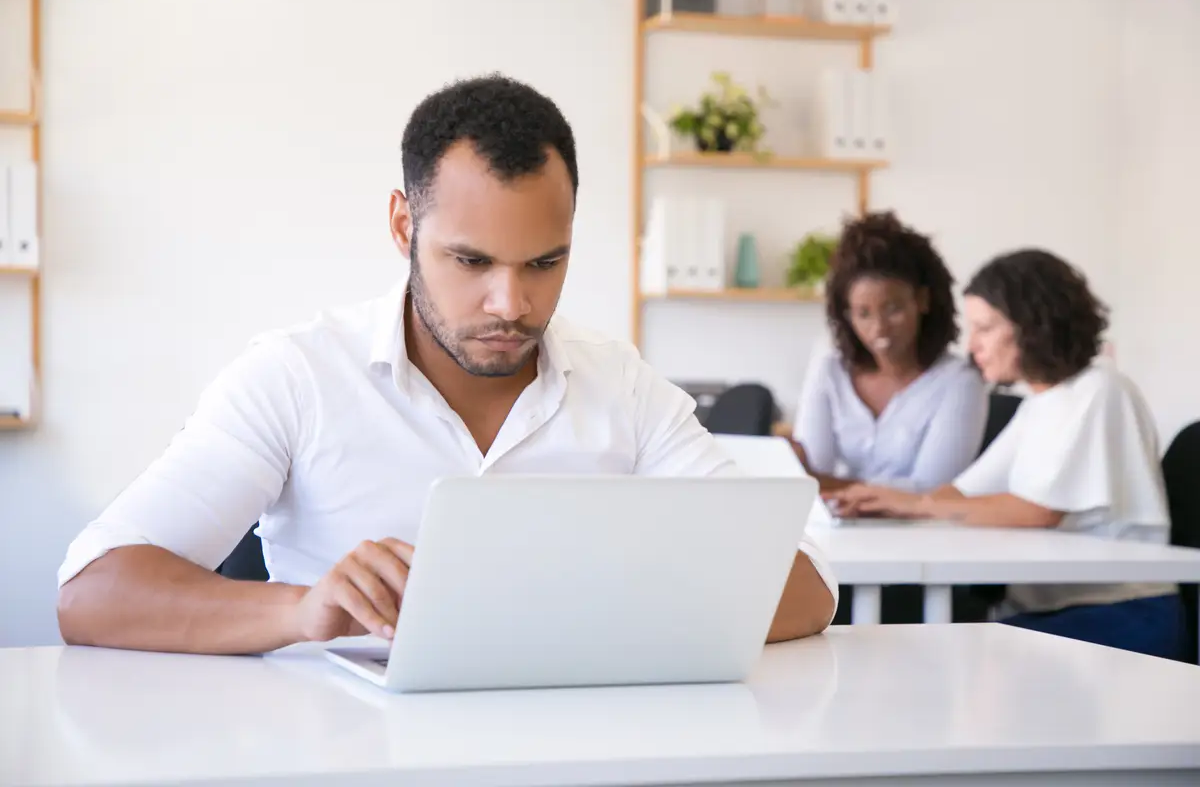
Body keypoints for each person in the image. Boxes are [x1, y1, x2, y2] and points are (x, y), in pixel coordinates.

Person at [56, 75, 837, 655]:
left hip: (576, 756)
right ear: (403, 225)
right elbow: (93, 594)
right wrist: (300, 611)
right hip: (344, 761)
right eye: (470, 260)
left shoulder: (619, 385)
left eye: (545, 262)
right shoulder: (297, 377)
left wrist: (585, 601)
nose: (511, 303)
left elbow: (806, 586)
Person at [832, 249, 1188, 660]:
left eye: (984, 328)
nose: (973, 346)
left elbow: (1038, 511)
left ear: (1031, 325)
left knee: (932, 661)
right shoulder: (1040, 403)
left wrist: (917, 503)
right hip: (1043, 611)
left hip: (1120, 613)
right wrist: (886, 504)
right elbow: (962, 493)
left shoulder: (1100, 389)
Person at [792, 211, 988, 496]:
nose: (879, 328)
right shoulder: (830, 367)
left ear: (922, 301)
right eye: (863, 314)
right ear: (846, 315)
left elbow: (933, 491)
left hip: (924, 535)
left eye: (893, 309)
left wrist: (827, 484)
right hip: (835, 529)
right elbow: (811, 466)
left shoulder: (961, 382)